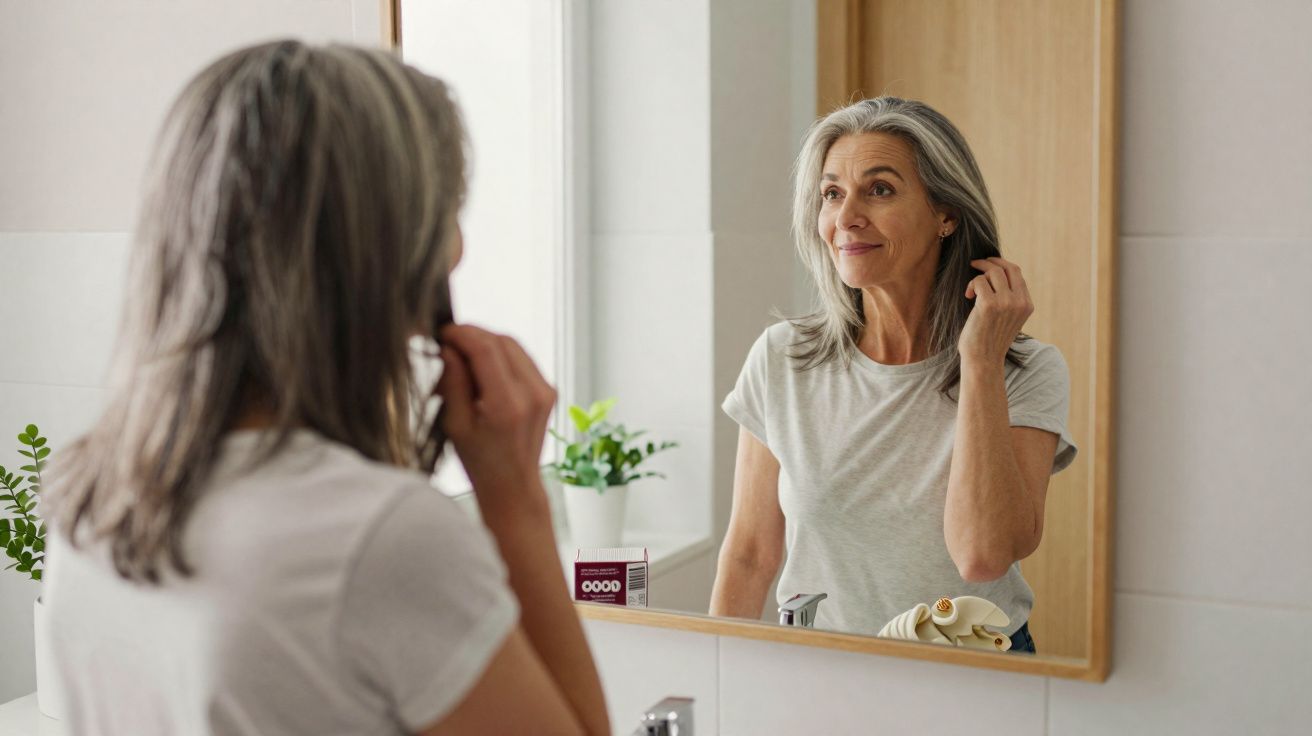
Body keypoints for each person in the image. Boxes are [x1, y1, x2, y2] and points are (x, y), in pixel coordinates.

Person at [42, 40, 608, 734]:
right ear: (392, 251)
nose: (458, 246)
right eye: (443, 214)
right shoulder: (381, 540)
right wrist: (517, 499)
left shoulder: (91, 504)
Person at [708, 97, 1078, 654]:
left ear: (946, 214)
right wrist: (720, 682)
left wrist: (979, 363)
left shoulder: (1026, 370)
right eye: (832, 193)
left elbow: (981, 556)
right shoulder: (783, 358)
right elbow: (750, 554)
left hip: (974, 677)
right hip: (820, 672)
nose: (846, 217)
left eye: (879, 189)